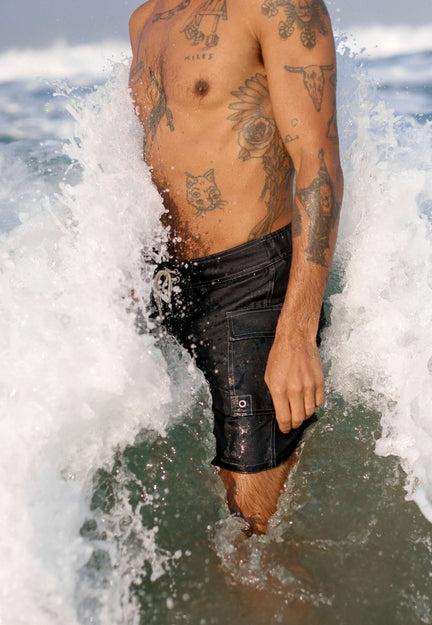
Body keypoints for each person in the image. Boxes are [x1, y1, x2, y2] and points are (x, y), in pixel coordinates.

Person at [129, 0, 343, 535]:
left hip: (251, 287)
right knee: (192, 526)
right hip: (168, 290)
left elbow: (317, 161)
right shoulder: (145, 19)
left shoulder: (278, 5)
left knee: (252, 538)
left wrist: (296, 333)